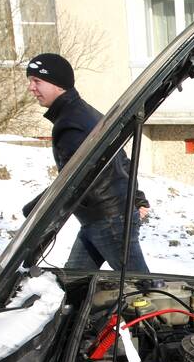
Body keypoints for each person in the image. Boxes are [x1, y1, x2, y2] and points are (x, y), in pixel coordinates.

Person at [22, 53, 150, 273]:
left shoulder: (71, 124)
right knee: (75, 283)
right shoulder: (84, 114)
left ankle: (166, 309)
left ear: (58, 84)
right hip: (102, 217)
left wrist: (34, 210)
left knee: (140, 288)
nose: (31, 88)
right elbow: (121, 158)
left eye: (37, 81)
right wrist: (138, 199)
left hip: (108, 219)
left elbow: (75, 179)